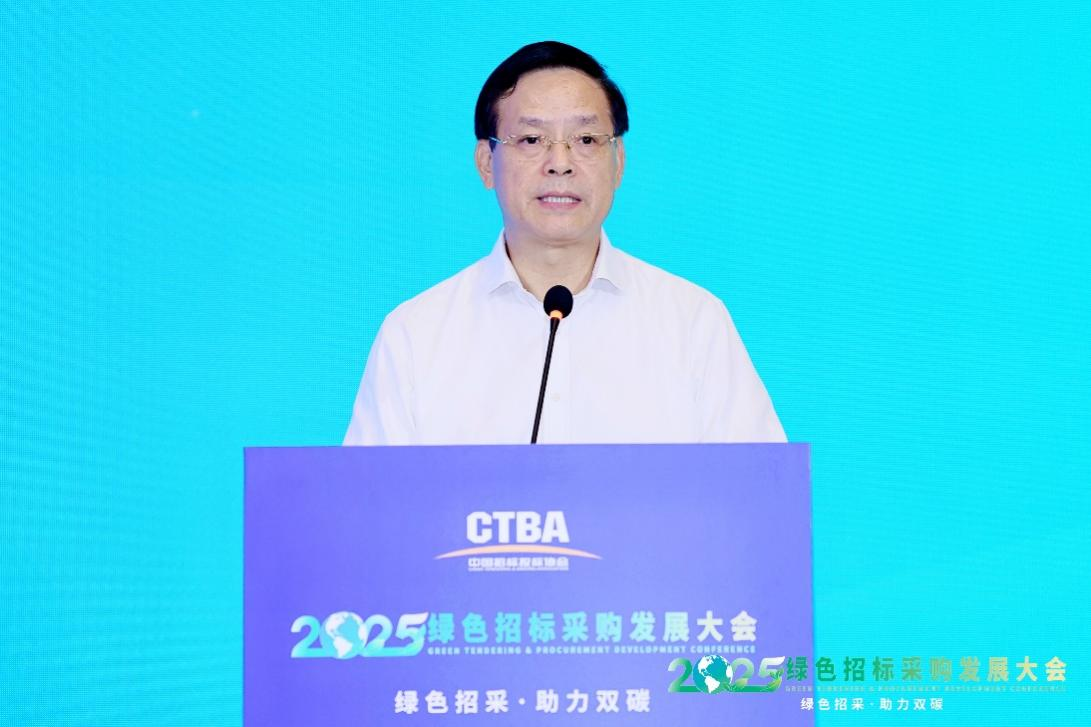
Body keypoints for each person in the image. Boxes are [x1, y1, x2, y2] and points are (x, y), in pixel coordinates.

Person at [344, 41, 785, 446]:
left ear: (618, 163)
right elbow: (370, 501)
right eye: (531, 140)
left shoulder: (693, 322)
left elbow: (760, 493)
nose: (560, 163)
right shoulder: (416, 335)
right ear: (486, 163)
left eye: (586, 140)